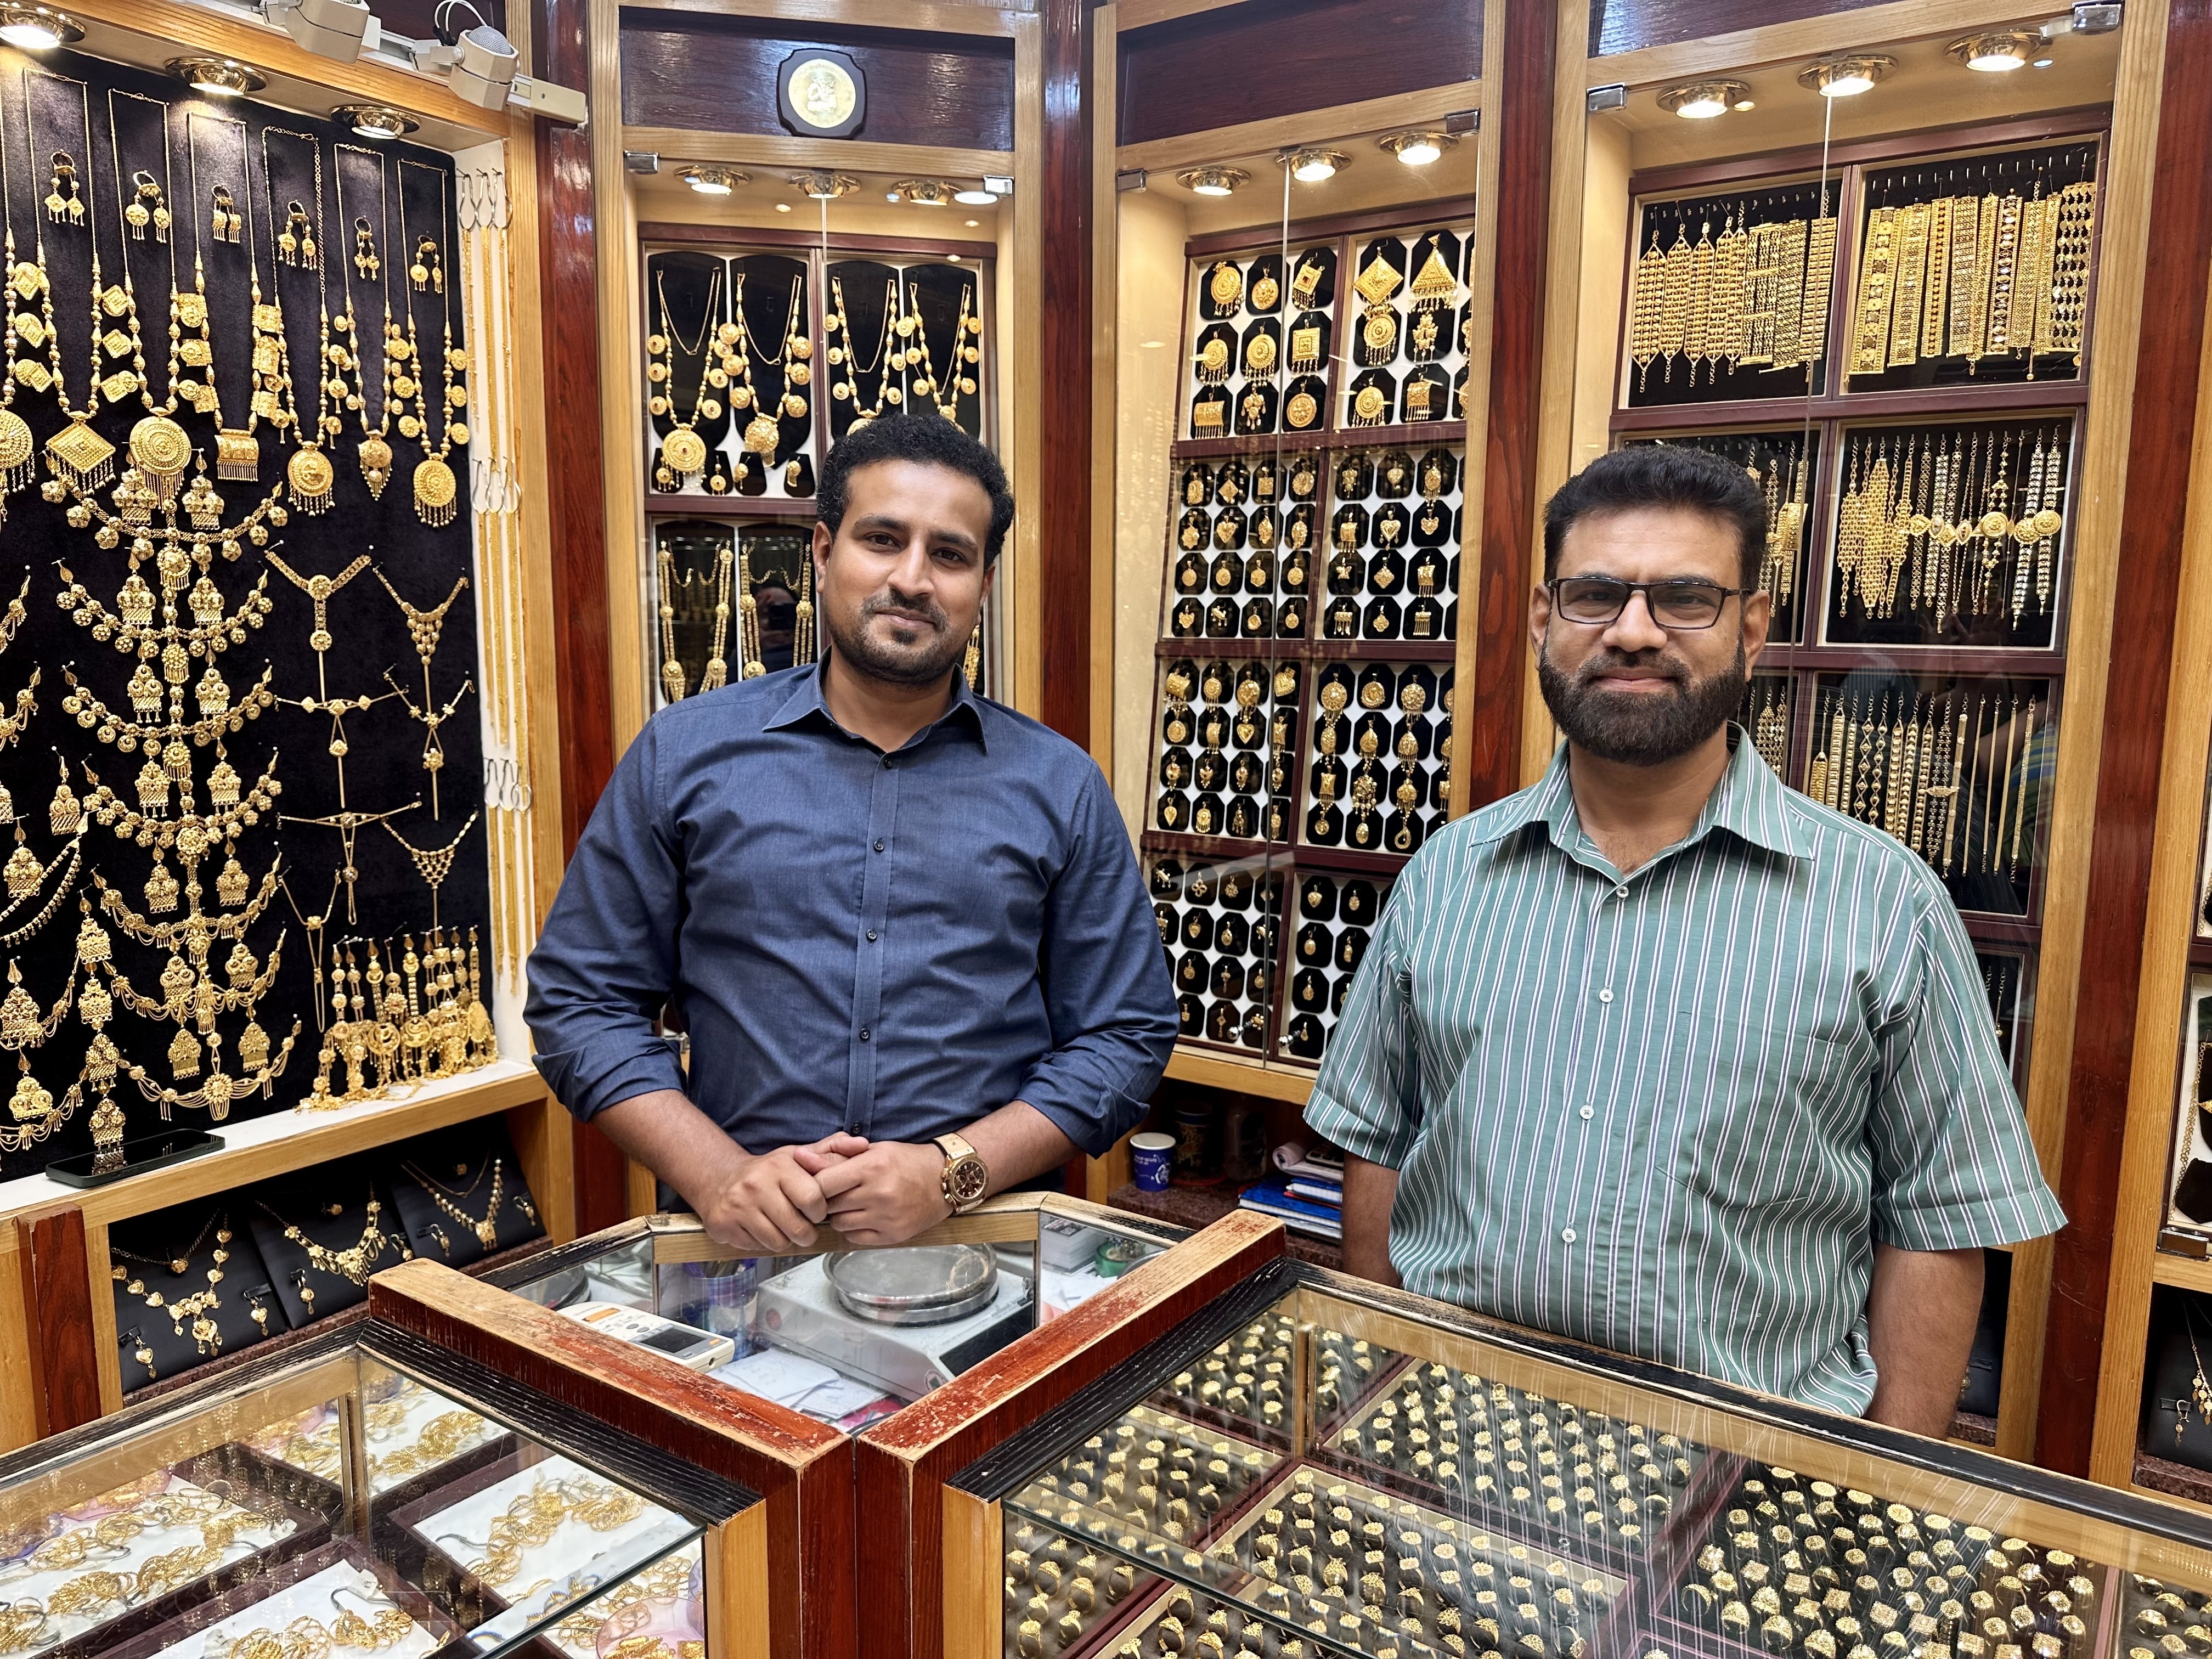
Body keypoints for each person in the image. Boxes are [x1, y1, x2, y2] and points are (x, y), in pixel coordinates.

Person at [1304, 445, 2064, 1436]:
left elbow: (1938, 1218)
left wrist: (1881, 1485)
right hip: (1454, 1438)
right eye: (1594, 596)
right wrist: (1379, 1388)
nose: (1632, 632)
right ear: (1543, 619)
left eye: (1685, 599)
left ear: (1751, 629)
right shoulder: (1448, 876)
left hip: (1741, 1475)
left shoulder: (1883, 907)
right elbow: (1378, 1141)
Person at [527, 413, 1176, 1252]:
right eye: (883, 539)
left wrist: (952, 1172)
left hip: (982, 1254)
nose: (912, 578)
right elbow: (581, 1003)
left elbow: (1125, 1033)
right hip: (736, 1259)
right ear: (825, 551)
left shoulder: (1060, 785)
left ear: (983, 584)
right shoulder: (684, 755)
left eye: (950, 555)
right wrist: (716, 1174)